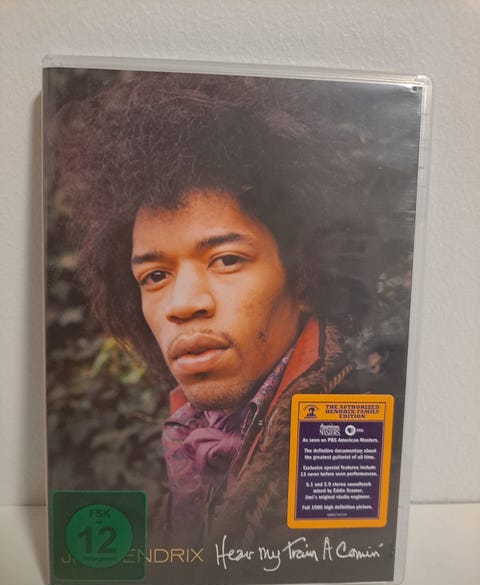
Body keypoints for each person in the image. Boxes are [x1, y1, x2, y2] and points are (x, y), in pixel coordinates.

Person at [51, 71, 381, 555]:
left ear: (305, 277)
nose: (183, 304)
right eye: (155, 275)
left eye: (226, 260)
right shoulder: (193, 438)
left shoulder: (359, 433)